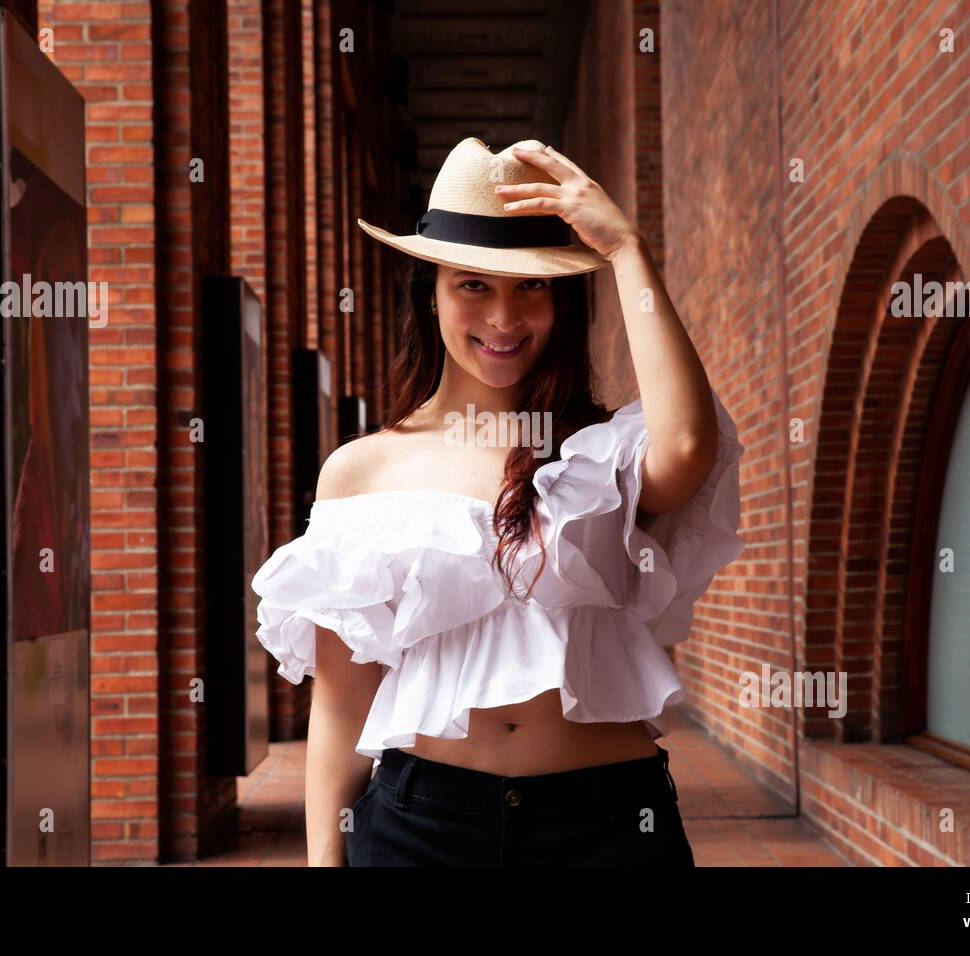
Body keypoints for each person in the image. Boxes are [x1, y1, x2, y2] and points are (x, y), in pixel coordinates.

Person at [251, 137, 746, 866]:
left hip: (607, 824)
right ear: (431, 290)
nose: (504, 318)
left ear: (564, 299)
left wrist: (627, 250)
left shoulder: (601, 450)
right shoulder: (360, 470)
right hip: (421, 827)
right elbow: (342, 702)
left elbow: (686, 450)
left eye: (532, 286)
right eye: (473, 285)